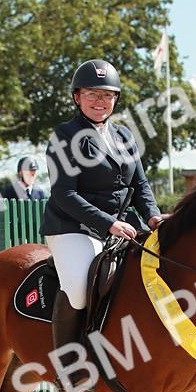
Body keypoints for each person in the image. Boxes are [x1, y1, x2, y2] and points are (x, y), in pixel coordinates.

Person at [42, 58, 165, 357]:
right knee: (79, 288)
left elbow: (140, 184)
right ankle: (69, 362)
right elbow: (64, 193)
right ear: (76, 97)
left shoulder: (124, 135)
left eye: (107, 95)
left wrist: (152, 215)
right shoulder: (65, 136)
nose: (101, 101)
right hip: (72, 226)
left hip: (123, 225)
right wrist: (108, 223)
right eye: (92, 94)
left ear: (115, 100)